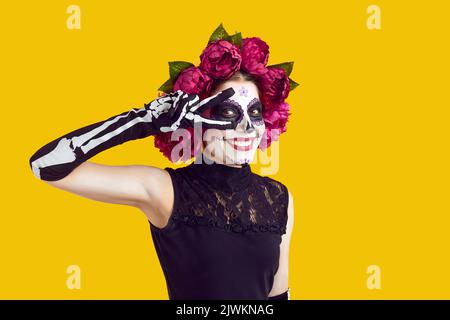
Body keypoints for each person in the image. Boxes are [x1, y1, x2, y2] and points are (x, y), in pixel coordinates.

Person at [29, 24, 297, 300]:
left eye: (255, 112)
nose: (246, 127)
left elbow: (278, 296)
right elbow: (46, 165)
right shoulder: (165, 190)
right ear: (194, 120)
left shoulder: (278, 197)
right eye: (228, 112)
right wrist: (143, 120)